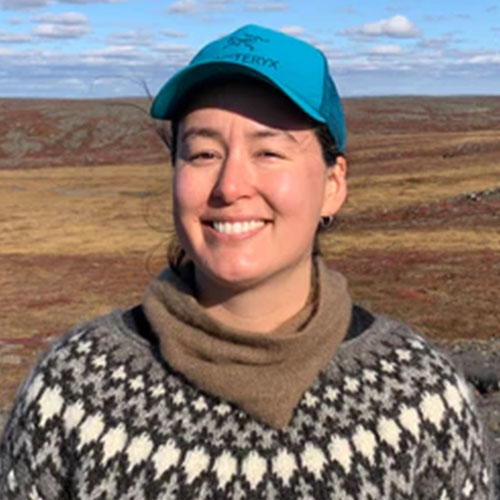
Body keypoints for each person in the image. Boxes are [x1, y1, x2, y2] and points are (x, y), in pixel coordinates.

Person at [0, 24, 494, 499]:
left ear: (332, 185)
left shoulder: (420, 402)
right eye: (202, 154)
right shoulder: (73, 391)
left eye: (269, 153)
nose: (230, 186)